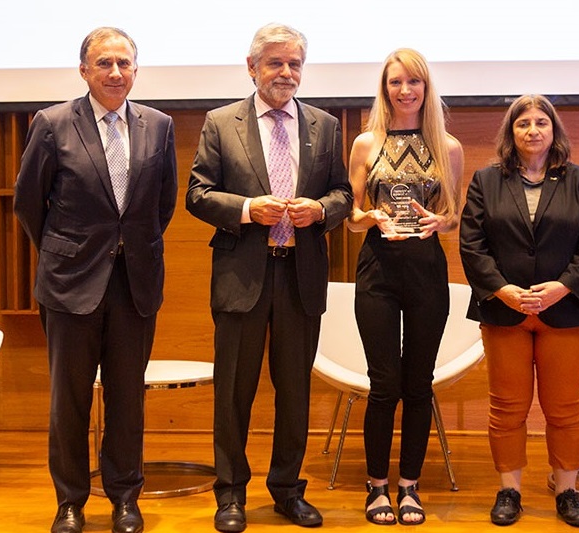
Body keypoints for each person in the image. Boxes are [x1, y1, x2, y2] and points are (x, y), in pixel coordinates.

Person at [186, 23, 352, 532]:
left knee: (295, 391)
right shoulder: (221, 122)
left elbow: (344, 194)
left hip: (300, 275)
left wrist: (319, 211)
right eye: (276, 63)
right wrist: (246, 208)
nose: (286, 73)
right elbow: (196, 193)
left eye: (295, 64)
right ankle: (231, 493)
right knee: (234, 390)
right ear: (252, 66)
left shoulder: (324, 125)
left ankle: (286, 490)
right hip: (242, 276)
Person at [13, 27, 177, 533]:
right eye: (104, 63)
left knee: (128, 398)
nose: (115, 73)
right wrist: (71, 252)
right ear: (84, 70)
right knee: (71, 399)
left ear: (135, 70)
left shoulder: (159, 125)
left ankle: (125, 498)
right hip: (69, 284)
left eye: (124, 63)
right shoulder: (52, 123)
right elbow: (28, 203)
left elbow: (162, 203)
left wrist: (128, 248)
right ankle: (69, 502)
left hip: (135, 284)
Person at [460, 95, 579, 528]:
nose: (532, 130)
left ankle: (567, 492)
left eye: (541, 122)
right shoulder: (486, 180)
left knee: (563, 409)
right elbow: (472, 245)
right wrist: (502, 290)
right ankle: (510, 490)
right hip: (504, 310)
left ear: (554, 130)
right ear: (511, 133)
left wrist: (562, 288)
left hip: (563, 311)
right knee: (507, 408)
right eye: (522, 123)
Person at [346, 48, 463, 526]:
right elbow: (350, 217)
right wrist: (370, 217)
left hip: (427, 273)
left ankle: (410, 486)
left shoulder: (447, 146)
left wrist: (441, 220)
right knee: (383, 384)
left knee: (419, 385)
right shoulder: (365, 143)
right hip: (377, 271)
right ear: (385, 87)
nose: (405, 90)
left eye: (414, 82)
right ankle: (377, 487)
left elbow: (454, 217)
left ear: (426, 88)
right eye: (396, 82)